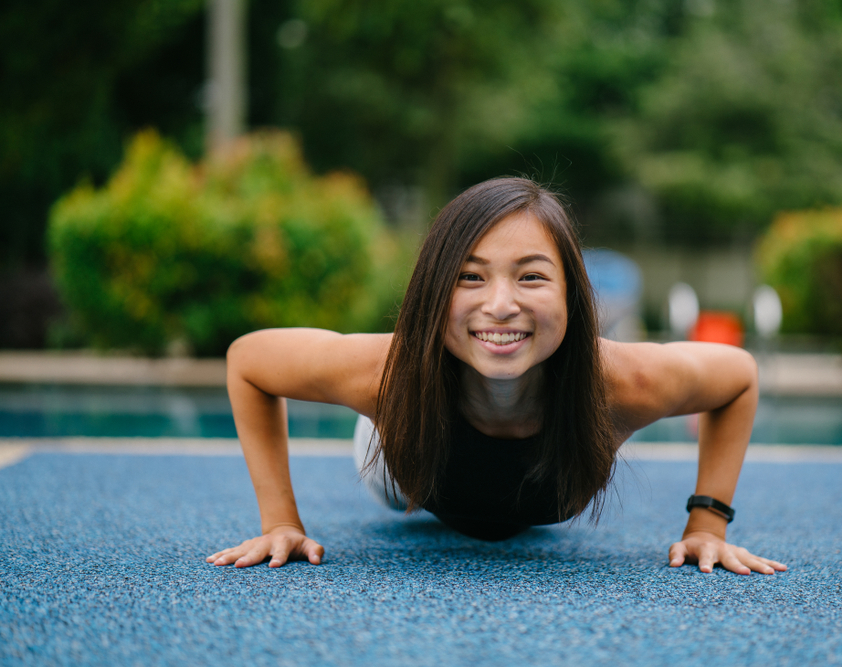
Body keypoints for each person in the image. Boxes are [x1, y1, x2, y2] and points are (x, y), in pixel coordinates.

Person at [206, 177, 786, 576]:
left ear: (573, 296)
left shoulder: (622, 384)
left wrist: (708, 522)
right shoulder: (385, 373)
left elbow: (737, 376)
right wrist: (280, 520)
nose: (501, 305)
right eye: (470, 277)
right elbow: (250, 361)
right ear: (433, 292)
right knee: (386, 454)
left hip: (544, 465)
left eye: (531, 277)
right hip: (403, 460)